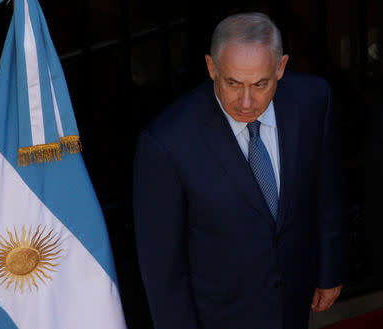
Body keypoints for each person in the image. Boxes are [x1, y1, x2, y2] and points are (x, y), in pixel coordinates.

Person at [133, 12, 348, 329]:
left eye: (260, 84)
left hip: (293, 302)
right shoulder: (166, 142)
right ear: (211, 68)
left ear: (281, 67)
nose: (246, 102)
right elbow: (163, 271)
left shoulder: (313, 100)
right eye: (233, 83)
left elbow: (327, 191)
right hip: (219, 317)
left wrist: (330, 270)